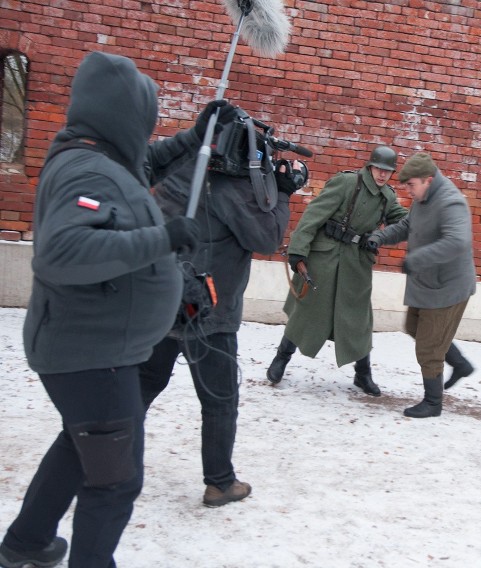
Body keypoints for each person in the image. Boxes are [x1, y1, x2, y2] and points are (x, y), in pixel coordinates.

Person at [0, 51, 223, 568]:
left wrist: (196, 136)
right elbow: (62, 252)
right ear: (123, 115)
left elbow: (145, 164)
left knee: (82, 447)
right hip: (92, 354)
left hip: (93, 347)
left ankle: (27, 543)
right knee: (116, 479)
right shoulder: (87, 172)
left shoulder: (97, 159)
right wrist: (161, 238)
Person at [138, 111, 295, 507]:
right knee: (219, 399)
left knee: (140, 388)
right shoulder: (230, 190)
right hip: (209, 312)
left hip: (162, 300)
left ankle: (112, 460)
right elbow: (266, 237)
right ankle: (220, 482)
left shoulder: (177, 174)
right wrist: (283, 193)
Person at [265, 145, 408, 396]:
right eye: (379, 168)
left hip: (356, 263)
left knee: (358, 321)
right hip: (326, 257)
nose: (383, 175)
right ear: (370, 165)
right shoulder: (347, 183)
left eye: (388, 171)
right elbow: (313, 215)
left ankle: (363, 375)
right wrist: (299, 250)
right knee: (307, 311)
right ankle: (281, 359)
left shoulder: (387, 197)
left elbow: (403, 222)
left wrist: (425, 217)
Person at [365, 152, 476, 418]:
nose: (409, 191)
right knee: (413, 327)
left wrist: (418, 258)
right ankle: (459, 364)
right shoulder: (423, 198)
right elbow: (406, 225)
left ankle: (433, 403)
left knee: (428, 347)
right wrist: (379, 238)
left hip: (447, 287)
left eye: (412, 185)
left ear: (428, 179)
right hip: (427, 282)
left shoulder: (450, 203)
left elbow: (458, 241)